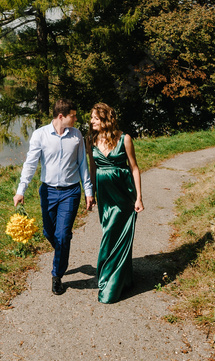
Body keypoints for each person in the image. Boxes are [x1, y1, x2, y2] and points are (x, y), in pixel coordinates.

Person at [14, 99, 95, 295]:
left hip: (70, 192)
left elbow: (83, 164)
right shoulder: (40, 135)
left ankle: (57, 275)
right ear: (61, 116)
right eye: (73, 115)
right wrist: (21, 190)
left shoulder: (76, 136)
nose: (76, 118)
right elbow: (30, 164)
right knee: (49, 233)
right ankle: (62, 246)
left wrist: (89, 191)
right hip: (48, 192)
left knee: (62, 235)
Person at [88, 102, 144, 303]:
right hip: (105, 196)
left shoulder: (125, 138)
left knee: (116, 235)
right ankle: (124, 279)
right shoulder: (91, 140)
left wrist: (139, 197)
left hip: (123, 195)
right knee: (110, 234)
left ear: (105, 119)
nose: (91, 121)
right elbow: (92, 170)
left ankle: (108, 286)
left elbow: (134, 168)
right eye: (92, 118)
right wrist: (91, 194)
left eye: (95, 118)